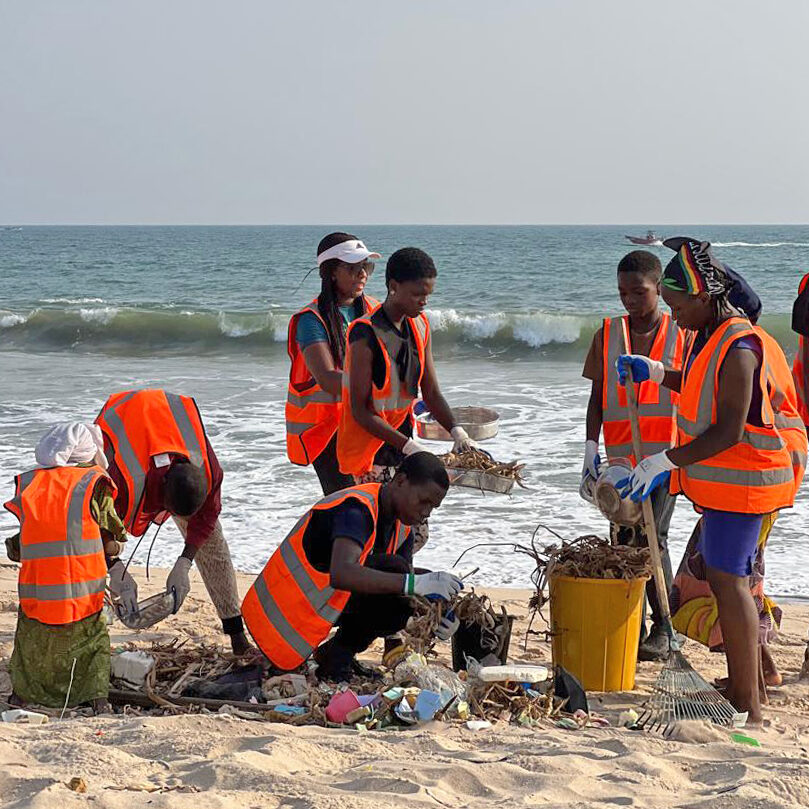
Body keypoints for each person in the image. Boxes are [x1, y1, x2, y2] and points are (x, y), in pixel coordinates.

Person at [617, 238, 807, 724]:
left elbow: (728, 427)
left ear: (704, 298)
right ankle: (748, 686)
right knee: (729, 580)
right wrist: (658, 372)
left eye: (679, 306)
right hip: (729, 485)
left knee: (732, 583)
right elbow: (702, 386)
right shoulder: (710, 334)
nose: (674, 316)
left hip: (751, 480)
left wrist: (665, 461)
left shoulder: (741, 345)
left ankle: (750, 704)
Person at [242, 452, 462, 680]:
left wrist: (437, 614)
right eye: (423, 501)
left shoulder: (403, 529)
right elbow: (343, 574)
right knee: (399, 574)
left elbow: (403, 593)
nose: (426, 512)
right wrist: (414, 583)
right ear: (400, 481)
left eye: (433, 507)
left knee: (403, 586)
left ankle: (336, 655)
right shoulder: (356, 509)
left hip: (320, 604)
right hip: (282, 613)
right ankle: (337, 657)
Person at [337, 247, 475, 552]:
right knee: (380, 537)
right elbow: (360, 410)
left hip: (400, 446)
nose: (424, 301)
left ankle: (394, 586)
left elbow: (432, 392)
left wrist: (456, 431)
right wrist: (408, 446)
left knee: (413, 534)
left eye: (428, 294)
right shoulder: (364, 334)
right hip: (367, 456)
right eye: (417, 294)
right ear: (393, 286)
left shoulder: (420, 326)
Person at [581, 250, 683, 660]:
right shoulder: (607, 334)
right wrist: (590, 448)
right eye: (622, 292)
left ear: (658, 288)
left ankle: (665, 628)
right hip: (621, 459)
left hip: (665, 459)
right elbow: (596, 398)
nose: (629, 300)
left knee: (652, 539)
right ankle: (633, 623)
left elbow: (692, 389)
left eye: (638, 292)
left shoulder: (681, 333)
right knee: (624, 539)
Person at [95, 388, 251, 655]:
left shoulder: (210, 471)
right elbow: (94, 519)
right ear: (162, 489)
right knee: (99, 545)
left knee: (213, 546)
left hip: (170, 419)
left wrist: (184, 562)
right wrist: (115, 567)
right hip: (120, 420)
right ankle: (93, 624)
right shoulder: (121, 476)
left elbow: (207, 518)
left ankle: (236, 633)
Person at [3, 423, 126, 711]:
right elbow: (112, 535)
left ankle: (22, 695)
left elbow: (22, 543)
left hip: (37, 593)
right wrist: (115, 548)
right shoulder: (93, 484)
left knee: (32, 643)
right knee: (94, 641)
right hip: (82, 593)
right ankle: (98, 700)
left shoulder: (32, 484)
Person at [286, 232, 381, 494]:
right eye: (352, 267)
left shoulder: (375, 310)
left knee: (381, 506)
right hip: (328, 434)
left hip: (370, 425)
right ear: (331, 272)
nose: (362, 273)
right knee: (349, 506)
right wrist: (384, 387)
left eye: (366, 266)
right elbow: (327, 378)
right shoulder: (311, 320)